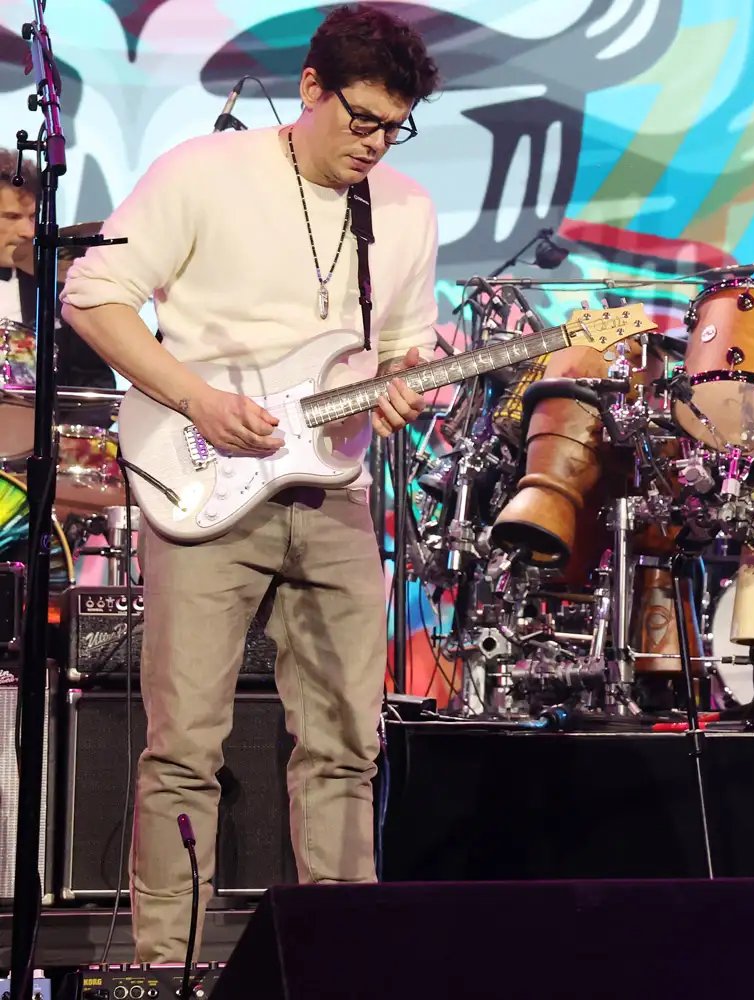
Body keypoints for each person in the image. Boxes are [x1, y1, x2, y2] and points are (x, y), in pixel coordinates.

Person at [61, 4, 440, 964]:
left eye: (393, 127)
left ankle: (343, 966)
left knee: (351, 744)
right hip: (205, 479)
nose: (374, 144)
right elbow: (95, 297)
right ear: (310, 88)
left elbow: (399, 353)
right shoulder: (203, 172)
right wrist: (195, 400)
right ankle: (167, 967)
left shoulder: (405, 208)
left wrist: (403, 391)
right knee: (185, 747)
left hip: (335, 491)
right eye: (360, 119)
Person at [0, 149, 115, 389]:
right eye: (11, 216)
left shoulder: (57, 287)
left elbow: (95, 382)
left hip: (35, 423)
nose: (29, 231)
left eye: (32, 217)